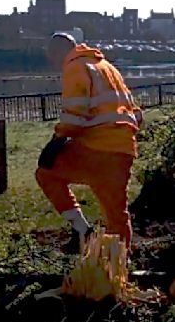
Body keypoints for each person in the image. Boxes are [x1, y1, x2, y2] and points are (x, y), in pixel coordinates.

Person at [35, 32, 144, 254]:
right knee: (116, 214)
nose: (52, 62)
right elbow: (136, 113)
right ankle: (121, 267)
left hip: (96, 148)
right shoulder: (107, 67)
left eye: (51, 56)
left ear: (58, 51)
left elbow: (75, 114)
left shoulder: (75, 67)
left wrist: (57, 140)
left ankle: (83, 231)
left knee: (46, 174)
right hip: (123, 148)